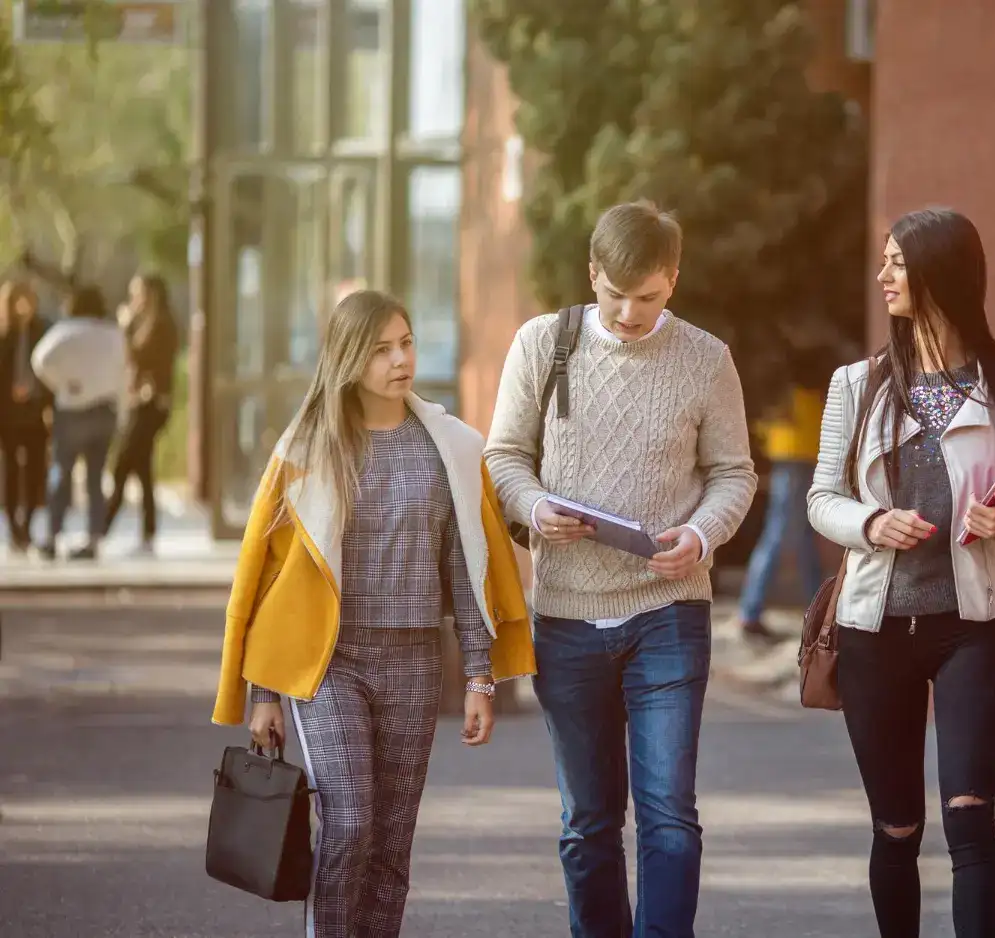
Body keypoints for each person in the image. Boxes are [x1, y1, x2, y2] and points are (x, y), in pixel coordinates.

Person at [211, 289, 535, 938]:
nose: (400, 359)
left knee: (391, 839)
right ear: (348, 359)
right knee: (350, 818)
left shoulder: (451, 448)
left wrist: (478, 678)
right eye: (382, 348)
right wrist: (264, 694)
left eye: (407, 343)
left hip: (413, 663)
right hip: (329, 664)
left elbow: (467, 569)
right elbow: (269, 576)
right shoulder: (306, 448)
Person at [484, 200, 757, 938]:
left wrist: (700, 534)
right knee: (588, 823)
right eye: (615, 295)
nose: (631, 313)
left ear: (673, 278)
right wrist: (536, 508)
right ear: (593, 274)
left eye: (650, 296)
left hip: (669, 610)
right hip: (567, 616)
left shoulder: (706, 358)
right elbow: (503, 455)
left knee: (669, 814)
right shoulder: (546, 343)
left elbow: (734, 472)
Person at [806, 207, 995, 938]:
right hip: (873, 633)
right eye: (884, 261)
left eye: (897, 262)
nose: (883, 275)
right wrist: (871, 524)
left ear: (942, 272)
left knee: (971, 821)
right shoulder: (856, 384)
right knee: (896, 828)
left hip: (972, 630)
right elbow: (823, 496)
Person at [29, 285, 126, 561]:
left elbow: (40, 360)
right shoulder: (112, 334)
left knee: (61, 472)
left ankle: (52, 535)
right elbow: (123, 373)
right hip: (104, 410)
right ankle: (93, 538)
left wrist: (63, 384)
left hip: (71, 410)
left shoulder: (65, 332)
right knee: (95, 478)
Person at [736, 361, 827, 641]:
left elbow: (763, 429)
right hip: (798, 464)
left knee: (800, 539)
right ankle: (751, 612)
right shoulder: (807, 397)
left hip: (791, 463)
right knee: (781, 537)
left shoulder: (783, 397)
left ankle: (818, 610)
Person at [103, 272, 179, 553]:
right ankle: (147, 533)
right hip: (142, 403)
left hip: (151, 406)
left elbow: (137, 357)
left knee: (123, 463)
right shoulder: (148, 323)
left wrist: (124, 327)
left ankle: (100, 529)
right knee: (142, 468)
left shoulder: (160, 325)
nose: (133, 299)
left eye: (137, 292)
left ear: (151, 295)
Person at [0, 280, 52, 552]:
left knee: (34, 471)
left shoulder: (42, 331)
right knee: (10, 470)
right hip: (8, 415)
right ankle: (13, 527)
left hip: (34, 413)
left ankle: (28, 522)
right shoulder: (4, 335)